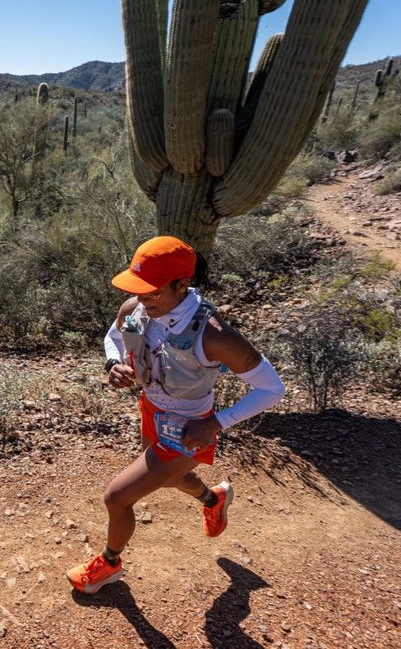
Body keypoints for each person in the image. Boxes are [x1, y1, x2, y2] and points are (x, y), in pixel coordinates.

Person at [66, 236, 287, 594]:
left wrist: (215, 423)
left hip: (188, 429)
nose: (141, 299)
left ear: (182, 284)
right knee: (165, 478)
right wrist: (114, 364)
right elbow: (113, 336)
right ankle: (213, 499)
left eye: (151, 292)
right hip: (152, 410)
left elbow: (273, 388)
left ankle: (108, 565)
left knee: (117, 497)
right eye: (138, 290)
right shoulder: (137, 309)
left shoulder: (214, 335)